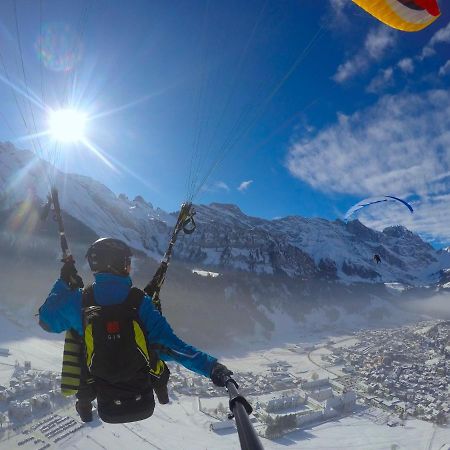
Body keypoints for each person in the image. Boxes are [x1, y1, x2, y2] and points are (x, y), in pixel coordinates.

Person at [39, 238, 232, 424]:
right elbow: (174, 348)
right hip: (142, 402)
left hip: (106, 403)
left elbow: (46, 320)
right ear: (118, 263)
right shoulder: (141, 303)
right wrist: (211, 368)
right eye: (127, 262)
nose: (129, 267)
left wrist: (64, 282)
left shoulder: (79, 301)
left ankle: (84, 405)